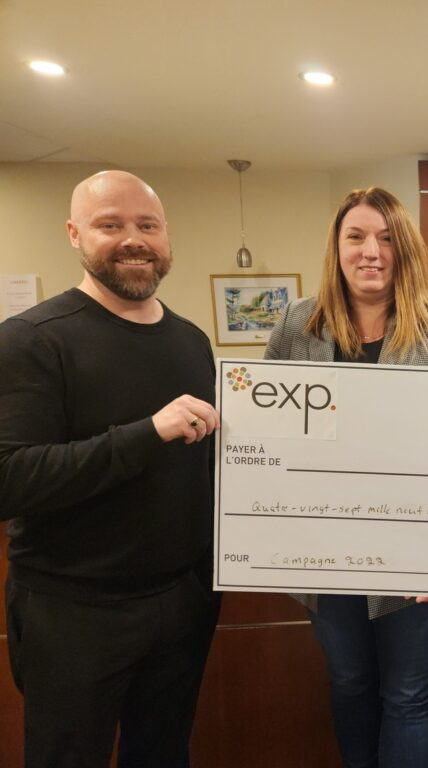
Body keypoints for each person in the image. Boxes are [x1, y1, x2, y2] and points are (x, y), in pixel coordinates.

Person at [0, 170, 221, 767]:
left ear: (166, 236)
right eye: (110, 225)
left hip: (179, 603)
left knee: (164, 754)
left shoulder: (192, 342)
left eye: (147, 225)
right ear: (75, 234)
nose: (133, 239)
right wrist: (148, 433)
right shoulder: (30, 341)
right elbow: (10, 478)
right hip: (73, 614)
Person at [264, 187, 428, 768]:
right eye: (356, 237)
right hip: (323, 547)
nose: (371, 251)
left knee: (407, 696)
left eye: (386, 238)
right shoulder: (296, 323)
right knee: (350, 683)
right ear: (337, 248)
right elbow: (266, 432)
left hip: (412, 551)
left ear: (405, 251)